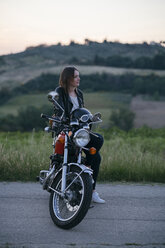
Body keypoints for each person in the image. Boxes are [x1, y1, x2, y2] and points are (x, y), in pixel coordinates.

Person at [54, 66, 105, 204]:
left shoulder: (80, 93)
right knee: (95, 156)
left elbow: (82, 112)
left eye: (78, 76)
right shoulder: (60, 92)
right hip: (67, 129)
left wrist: (90, 119)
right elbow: (59, 111)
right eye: (76, 76)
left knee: (98, 142)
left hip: (80, 130)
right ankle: (73, 178)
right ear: (68, 78)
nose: (78, 78)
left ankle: (91, 191)